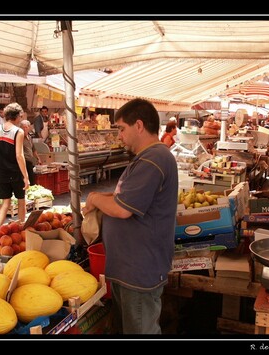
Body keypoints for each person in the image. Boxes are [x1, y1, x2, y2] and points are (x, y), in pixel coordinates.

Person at [82, 98, 178, 334]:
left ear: (139, 125)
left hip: (139, 271)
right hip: (131, 268)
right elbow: (126, 197)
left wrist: (94, 199)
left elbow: (122, 209)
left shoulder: (153, 159)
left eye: (122, 129)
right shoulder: (149, 158)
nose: (120, 136)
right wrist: (100, 195)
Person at [0, 102, 30, 231]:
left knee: (5, 203)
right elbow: (19, 156)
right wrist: (25, 176)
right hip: (16, 172)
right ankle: (22, 229)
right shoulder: (18, 132)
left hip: (2, 172)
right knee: (21, 201)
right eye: (20, 116)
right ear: (16, 116)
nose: (21, 119)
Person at [20, 119, 42, 186]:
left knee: (31, 179)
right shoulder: (20, 138)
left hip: (30, 161)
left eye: (26, 127)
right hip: (23, 161)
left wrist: (38, 158)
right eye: (23, 127)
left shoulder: (29, 137)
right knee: (25, 179)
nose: (24, 129)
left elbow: (33, 149)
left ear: (29, 128)